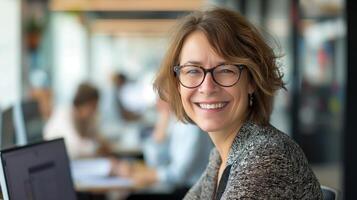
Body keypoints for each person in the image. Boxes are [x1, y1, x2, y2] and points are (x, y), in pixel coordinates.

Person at [153, 7, 322, 199]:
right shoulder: (220, 156)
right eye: (193, 71)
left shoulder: (266, 157)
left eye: (225, 70)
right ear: (177, 83)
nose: (207, 87)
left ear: (251, 80)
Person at [126, 98, 212, 194]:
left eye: (163, 96)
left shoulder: (191, 125)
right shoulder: (176, 121)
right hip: (180, 187)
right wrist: (163, 120)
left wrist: (150, 176)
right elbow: (156, 161)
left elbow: (179, 174)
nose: (158, 102)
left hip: (194, 190)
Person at [44, 82, 112, 159]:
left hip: (77, 160)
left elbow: (96, 136)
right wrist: (98, 148)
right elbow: (77, 145)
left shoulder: (86, 118)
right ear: (85, 103)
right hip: (57, 160)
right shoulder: (64, 113)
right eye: (93, 106)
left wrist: (102, 144)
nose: (95, 110)